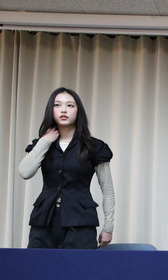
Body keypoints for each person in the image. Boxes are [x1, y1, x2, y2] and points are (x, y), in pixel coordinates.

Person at [19, 87, 115, 249]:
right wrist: (45, 141)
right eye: (57, 105)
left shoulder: (94, 147)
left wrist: (108, 226)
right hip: (44, 221)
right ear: (51, 110)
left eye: (70, 105)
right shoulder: (42, 145)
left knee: (78, 265)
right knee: (38, 265)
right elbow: (25, 172)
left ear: (78, 111)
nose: (63, 110)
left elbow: (107, 189)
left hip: (81, 222)